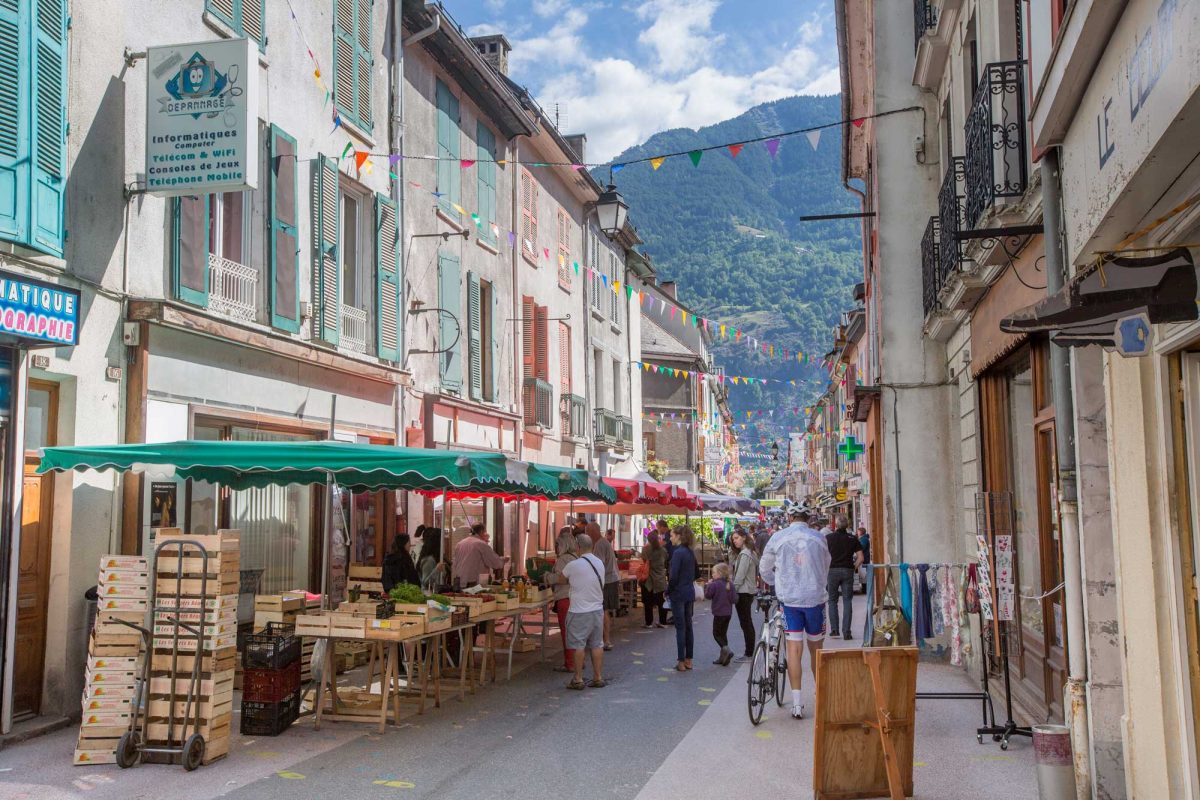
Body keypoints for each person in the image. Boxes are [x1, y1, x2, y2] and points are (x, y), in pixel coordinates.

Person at [760, 508, 831, 720]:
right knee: (816, 649)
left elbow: (765, 568)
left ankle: (797, 704)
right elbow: (826, 565)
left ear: (790, 518)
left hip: (790, 600)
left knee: (794, 649)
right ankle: (822, 697)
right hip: (815, 599)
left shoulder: (778, 537)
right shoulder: (819, 538)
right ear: (808, 519)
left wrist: (774, 583)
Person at [558, 533, 607, 689]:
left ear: (577, 547)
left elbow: (560, 579)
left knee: (578, 645)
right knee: (596, 644)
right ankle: (598, 677)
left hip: (579, 610)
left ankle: (578, 678)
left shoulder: (573, 565)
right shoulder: (599, 563)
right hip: (597, 609)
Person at [546, 528, 579, 673]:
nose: (556, 548)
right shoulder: (576, 558)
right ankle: (578, 661)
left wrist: (547, 577)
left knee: (567, 633)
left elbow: (561, 578)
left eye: (557, 545)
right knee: (576, 633)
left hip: (565, 599)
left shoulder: (563, 559)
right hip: (576, 598)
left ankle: (570, 663)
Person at [825, 514, 864, 640]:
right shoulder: (853, 538)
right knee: (847, 601)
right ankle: (847, 632)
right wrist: (853, 567)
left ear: (835, 525)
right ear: (847, 525)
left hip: (832, 571)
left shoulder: (828, 538)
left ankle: (835, 630)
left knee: (832, 601)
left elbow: (823, 556)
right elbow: (861, 558)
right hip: (847, 570)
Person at [666, 525, 698, 672]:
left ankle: (680, 661)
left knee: (680, 627)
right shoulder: (690, 552)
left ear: (678, 536)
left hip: (678, 593)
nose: (670, 538)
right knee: (688, 626)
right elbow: (697, 573)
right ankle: (689, 659)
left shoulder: (678, 553)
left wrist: (668, 590)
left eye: (672, 535)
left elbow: (673, 576)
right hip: (689, 592)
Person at [729, 527, 759, 662]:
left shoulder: (745, 554)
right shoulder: (750, 552)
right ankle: (749, 651)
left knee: (746, 622)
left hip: (743, 591)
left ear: (744, 538)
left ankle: (749, 653)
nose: (734, 541)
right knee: (746, 622)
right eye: (733, 539)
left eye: (736, 538)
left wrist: (732, 590)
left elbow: (739, 576)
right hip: (748, 591)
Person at [588, 521, 620, 651]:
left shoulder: (600, 545)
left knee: (603, 610)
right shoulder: (602, 543)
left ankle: (605, 640)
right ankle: (603, 639)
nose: (587, 535)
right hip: (610, 579)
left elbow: (598, 565)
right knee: (604, 610)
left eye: (587, 532)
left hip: (606, 581)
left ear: (593, 532)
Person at [451, 523, 509, 588]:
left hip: (459, 582)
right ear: (481, 531)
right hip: (473, 584)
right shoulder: (481, 544)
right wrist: (504, 560)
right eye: (485, 532)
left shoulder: (460, 544)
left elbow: (455, 564)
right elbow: (495, 563)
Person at [704, 562, 738, 666]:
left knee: (716, 633)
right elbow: (734, 600)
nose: (712, 575)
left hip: (719, 613)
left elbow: (708, 596)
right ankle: (723, 657)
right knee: (723, 634)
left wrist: (708, 586)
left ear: (719, 573)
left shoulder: (714, 584)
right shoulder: (730, 584)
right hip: (728, 613)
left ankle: (726, 650)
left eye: (713, 573)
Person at [640, 531, 668, 628]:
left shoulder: (645, 549)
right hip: (660, 578)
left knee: (648, 602)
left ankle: (649, 623)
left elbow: (644, 562)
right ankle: (663, 622)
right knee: (661, 602)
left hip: (649, 580)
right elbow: (666, 560)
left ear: (648, 539)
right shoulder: (663, 550)